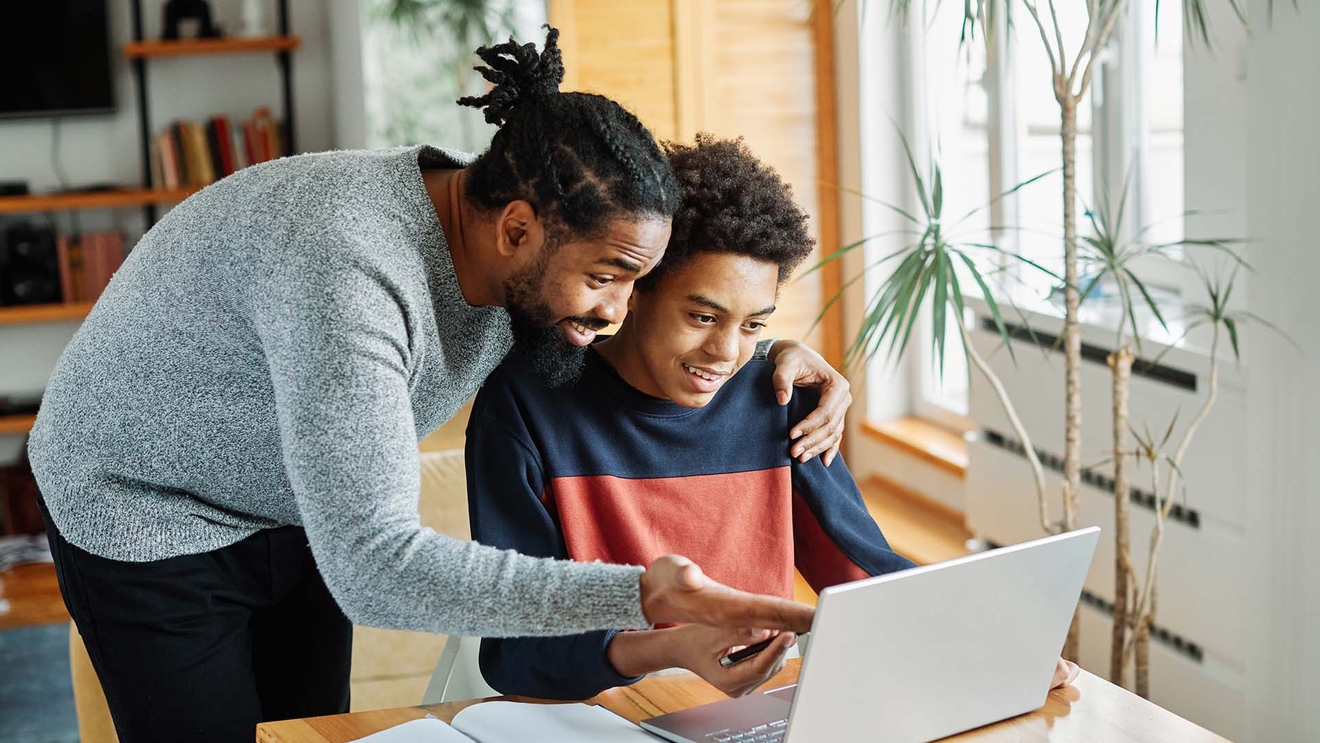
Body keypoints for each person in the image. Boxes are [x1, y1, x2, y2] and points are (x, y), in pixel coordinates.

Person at [25, 29, 846, 743]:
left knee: (311, 731)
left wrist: (772, 351)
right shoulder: (352, 276)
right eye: (610, 278)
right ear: (517, 228)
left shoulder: (523, 243)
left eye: (638, 283)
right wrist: (640, 593)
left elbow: (659, 320)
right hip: (147, 501)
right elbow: (374, 567)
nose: (619, 309)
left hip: (298, 497)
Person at [465, 135, 1082, 700]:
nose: (727, 353)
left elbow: (862, 573)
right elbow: (518, 653)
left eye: (754, 325)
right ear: (637, 284)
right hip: (597, 716)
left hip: (753, 718)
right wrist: (670, 648)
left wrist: (991, 642)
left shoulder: (782, 397)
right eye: (703, 318)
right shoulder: (526, 407)